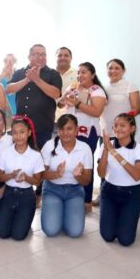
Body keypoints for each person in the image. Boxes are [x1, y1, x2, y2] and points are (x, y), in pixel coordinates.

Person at [59, 62, 107, 211]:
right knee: (69, 162)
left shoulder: (96, 90)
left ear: (92, 74)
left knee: (85, 165)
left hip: (88, 132)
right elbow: (61, 105)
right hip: (69, 131)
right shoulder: (72, 88)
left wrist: (77, 103)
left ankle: (86, 200)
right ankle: (69, 195)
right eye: (78, 72)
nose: (80, 75)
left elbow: (96, 111)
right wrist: (63, 99)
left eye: (84, 72)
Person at [97, 114, 140, 247]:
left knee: (126, 240)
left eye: (123, 125)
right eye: (115, 125)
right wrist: (106, 150)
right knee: (108, 236)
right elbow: (101, 173)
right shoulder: (106, 145)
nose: (118, 129)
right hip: (109, 192)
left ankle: (124, 218)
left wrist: (114, 152)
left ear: (132, 129)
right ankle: (117, 218)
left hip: (131, 194)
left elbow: (137, 175)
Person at [40, 114, 93, 237]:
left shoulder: (85, 148)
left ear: (77, 130)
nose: (65, 133)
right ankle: (58, 211)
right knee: (51, 231)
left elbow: (86, 181)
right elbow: (41, 175)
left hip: (75, 191)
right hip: (52, 190)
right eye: (61, 129)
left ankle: (64, 211)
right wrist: (56, 174)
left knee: (75, 232)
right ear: (57, 130)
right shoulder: (49, 145)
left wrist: (78, 176)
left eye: (69, 128)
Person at [5, 44, 62, 158]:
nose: (41, 57)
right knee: (20, 159)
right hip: (21, 128)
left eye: (43, 54)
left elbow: (56, 93)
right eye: (37, 54)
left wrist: (36, 79)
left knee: (42, 160)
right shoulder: (20, 72)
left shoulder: (53, 74)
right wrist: (27, 80)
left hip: (43, 128)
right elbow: (8, 90)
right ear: (29, 56)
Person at [0, 116, 45, 240]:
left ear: (28, 133)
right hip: (8, 195)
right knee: (2, 233)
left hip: (26, 196)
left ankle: (24, 219)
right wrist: (11, 175)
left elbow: (38, 181)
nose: (18, 136)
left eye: (22, 132)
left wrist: (26, 178)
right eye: (15, 133)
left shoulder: (36, 155)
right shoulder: (6, 153)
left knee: (18, 235)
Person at [100, 59, 140, 137]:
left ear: (123, 71)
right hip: (105, 131)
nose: (113, 71)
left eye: (117, 68)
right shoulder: (102, 88)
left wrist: (123, 120)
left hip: (123, 132)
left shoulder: (130, 86)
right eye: (110, 68)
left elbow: (137, 109)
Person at [55, 47, 78, 123]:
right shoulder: (49, 74)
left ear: (71, 58)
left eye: (66, 55)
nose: (63, 57)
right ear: (56, 58)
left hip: (71, 120)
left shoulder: (78, 74)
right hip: (50, 120)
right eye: (60, 55)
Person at [0, 53, 18, 118]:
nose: (8, 64)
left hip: (15, 112)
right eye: (6, 61)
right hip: (1, 112)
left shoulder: (19, 76)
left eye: (11, 61)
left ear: (15, 63)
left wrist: (12, 75)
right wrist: (1, 75)